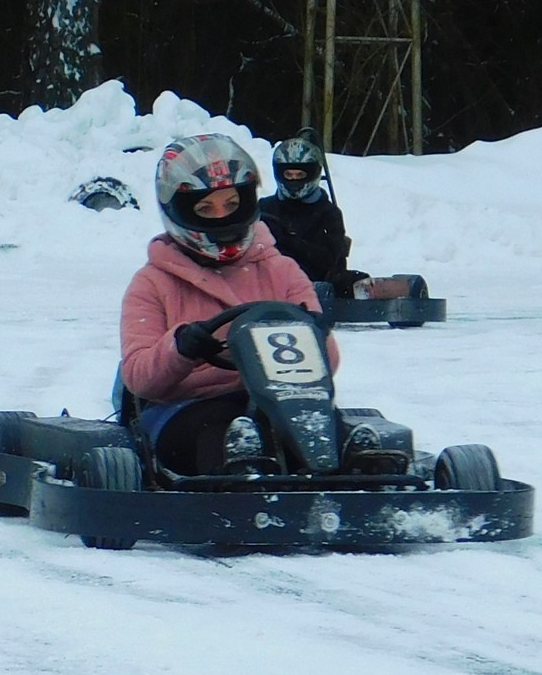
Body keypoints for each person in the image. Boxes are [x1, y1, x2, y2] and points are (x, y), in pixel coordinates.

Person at [120, 132, 341, 473]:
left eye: (231, 204)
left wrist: (316, 333)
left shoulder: (281, 271)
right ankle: (236, 499)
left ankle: (368, 484)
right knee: (225, 431)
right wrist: (180, 348)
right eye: (205, 208)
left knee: (330, 427)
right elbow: (137, 376)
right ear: (179, 211)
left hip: (281, 402)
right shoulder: (152, 282)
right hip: (187, 408)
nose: (222, 217)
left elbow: (329, 364)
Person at [259, 135, 364, 292]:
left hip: (313, 290)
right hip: (265, 287)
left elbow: (327, 261)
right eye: (289, 175)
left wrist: (287, 241)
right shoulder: (265, 208)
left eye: (300, 175)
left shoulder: (328, 213)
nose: (294, 180)